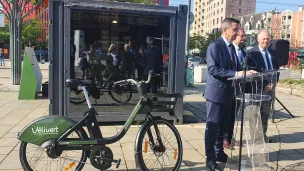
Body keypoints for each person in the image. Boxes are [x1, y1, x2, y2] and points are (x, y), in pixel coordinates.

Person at [203, 18, 256, 171]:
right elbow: (213, 69)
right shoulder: (215, 46)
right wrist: (237, 73)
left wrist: (247, 72)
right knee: (212, 127)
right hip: (216, 93)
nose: (237, 33)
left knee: (223, 126)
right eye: (235, 30)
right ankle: (210, 157)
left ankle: (219, 152)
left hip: (230, 93)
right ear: (225, 30)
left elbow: (236, 68)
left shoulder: (232, 48)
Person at [247, 30, 279, 143]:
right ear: (258, 39)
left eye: (267, 39)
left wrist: (273, 83)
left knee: (265, 114)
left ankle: (263, 136)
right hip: (256, 89)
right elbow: (250, 73)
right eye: (263, 39)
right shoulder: (251, 53)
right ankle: (254, 137)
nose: (266, 41)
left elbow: (276, 71)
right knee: (254, 114)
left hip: (269, 90)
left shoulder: (273, 53)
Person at [223, 28, 247, 149]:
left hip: (239, 88)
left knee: (234, 114)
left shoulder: (243, 51)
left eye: (244, 36)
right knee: (225, 114)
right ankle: (224, 138)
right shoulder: (229, 49)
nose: (244, 38)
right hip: (227, 87)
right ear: (236, 36)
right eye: (242, 36)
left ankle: (229, 137)